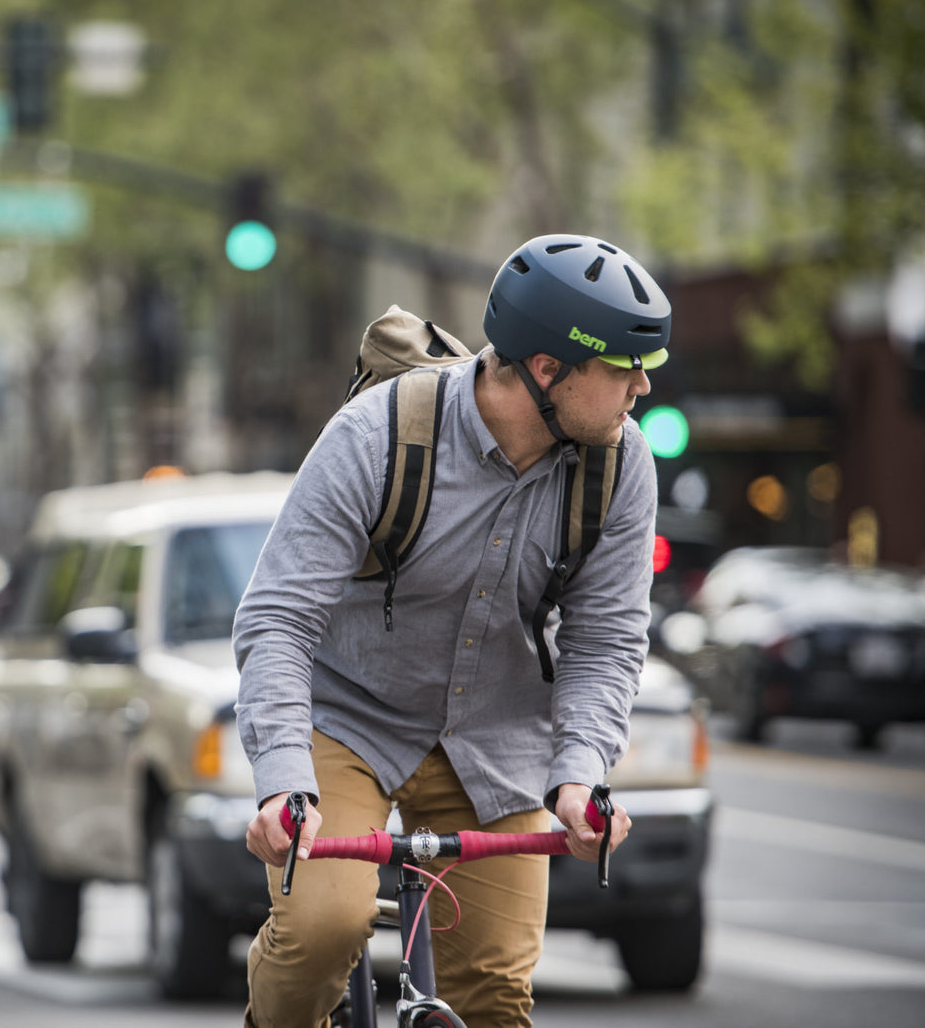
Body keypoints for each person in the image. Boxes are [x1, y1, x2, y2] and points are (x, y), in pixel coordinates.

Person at [235, 233, 666, 1028]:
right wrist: (284, 782)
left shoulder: (620, 464)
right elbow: (279, 618)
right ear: (547, 369)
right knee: (322, 933)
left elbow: (605, 639)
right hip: (350, 719)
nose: (641, 386)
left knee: (496, 998)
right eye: (623, 366)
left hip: (496, 737)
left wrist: (579, 777)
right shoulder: (377, 434)